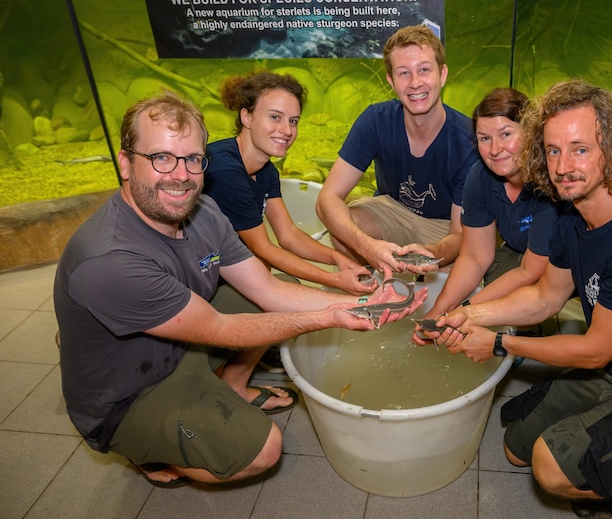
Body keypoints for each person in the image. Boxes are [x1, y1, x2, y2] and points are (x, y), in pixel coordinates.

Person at [53, 91, 426, 488]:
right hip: (128, 393)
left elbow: (266, 288)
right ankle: (153, 450)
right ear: (126, 164)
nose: (181, 175)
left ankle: (229, 386)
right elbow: (220, 330)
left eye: (193, 159)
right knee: (264, 451)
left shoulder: (203, 212)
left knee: (276, 287)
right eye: (161, 157)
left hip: (180, 344)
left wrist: (363, 302)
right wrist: (329, 315)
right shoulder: (110, 259)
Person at [433, 80, 612, 518]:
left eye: (580, 149)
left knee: (549, 470)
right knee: (516, 448)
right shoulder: (574, 216)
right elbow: (545, 297)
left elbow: (593, 350)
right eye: (552, 150)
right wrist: (465, 314)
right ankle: (604, 428)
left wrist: (497, 343)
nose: (563, 166)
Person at [315, 25, 482, 276]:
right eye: (404, 73)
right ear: (391, 81)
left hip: (445, 225)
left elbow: (460, 234)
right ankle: (369, 298)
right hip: (392, 209)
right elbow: (327, 200)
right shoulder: (376, 120)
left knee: (467, 267)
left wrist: (433, 253)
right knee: (346, 228)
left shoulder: (467, 141)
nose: (415, 83)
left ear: (443, 74)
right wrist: (367, 246)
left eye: (424, 70)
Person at [204, 70, 376, 297]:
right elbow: (263, 248)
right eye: (275, 117)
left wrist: (339, 258)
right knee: (274, 277)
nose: (287, 131)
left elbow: (288, 235)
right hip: (198, 279)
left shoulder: (266, 171)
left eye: (293, 121)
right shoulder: (225, 171)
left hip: (227, 267)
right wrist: (334, 279)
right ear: (247, 117)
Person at [414, 87, 560, 322]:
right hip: (521, 250)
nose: (494, 150)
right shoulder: (480, 177)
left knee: (511, 298)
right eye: (484, 138)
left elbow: (530, 270)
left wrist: (464, 310)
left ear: (530, 132)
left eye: (506, 134)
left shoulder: (549, 181)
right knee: (492, 280)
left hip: (565, 262)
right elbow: (474, 256)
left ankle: (528, 342)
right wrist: (437, 311)